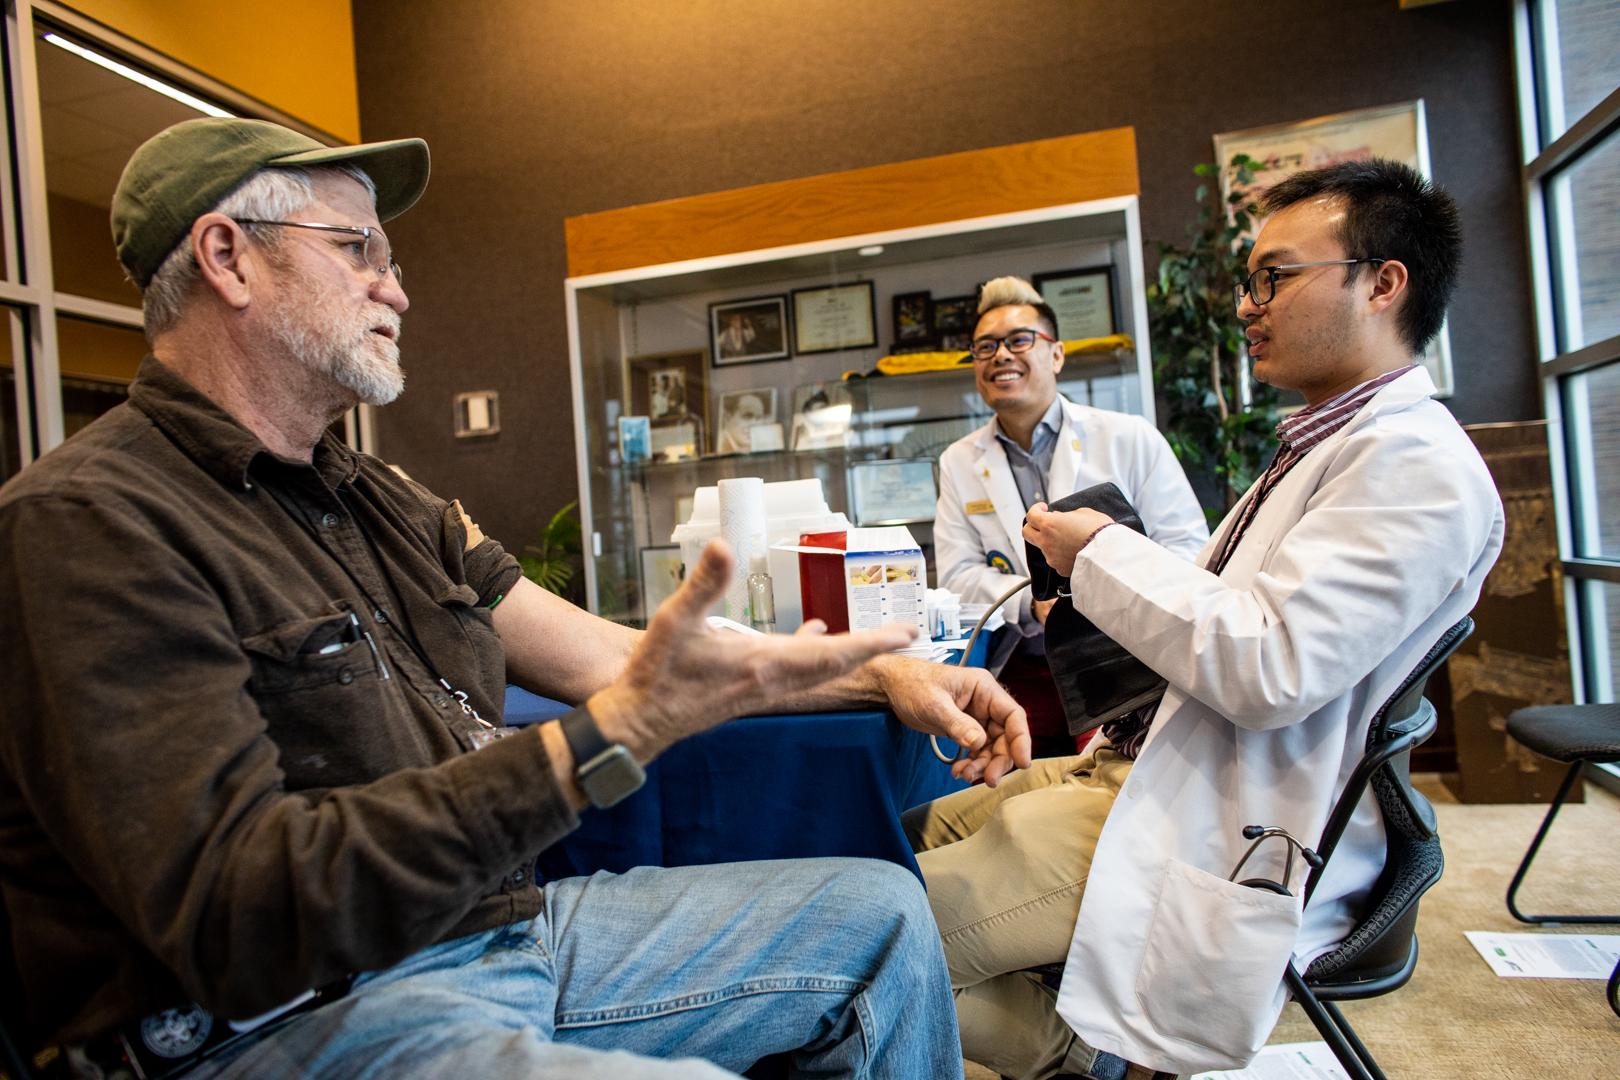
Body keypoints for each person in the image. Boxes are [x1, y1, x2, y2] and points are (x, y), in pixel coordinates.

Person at [0, 118, 1030, 1080]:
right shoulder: (90, 524)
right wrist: (593, 747)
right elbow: (238, 914)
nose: (395, 290)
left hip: (492, 930)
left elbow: (619, 666)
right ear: (227, 257)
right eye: (357, 249)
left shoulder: (382, 498)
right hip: (296, 1014)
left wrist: (884, 673)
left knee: (881, 917)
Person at [906, 160, 1504, 1079]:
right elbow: (1216, 603)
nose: (1247, 306)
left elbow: (1268, 663)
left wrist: (1095, 547)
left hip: (1226, 817)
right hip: (1153, 757)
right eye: (1248, 281)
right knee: (924, 827)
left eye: (1275, 277)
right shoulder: (1323, 444)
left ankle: (1083, 1048)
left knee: (868, 930)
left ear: (1383, 283)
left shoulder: (1417, 467)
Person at [934, 276, 1208, 757]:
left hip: (1123, 658)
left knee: (1106, 788)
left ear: (1056, 354)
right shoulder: (959, 460)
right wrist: (1032, 603)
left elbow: (1189, 549)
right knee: (1011, 783)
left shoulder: (1129, 437)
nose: (1001, 355)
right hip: (1021, 665)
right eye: (985, 347)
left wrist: (1104, 589)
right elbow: (958, 574)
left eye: (1020, 340)